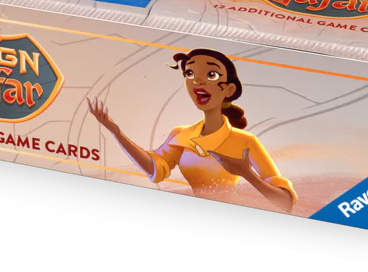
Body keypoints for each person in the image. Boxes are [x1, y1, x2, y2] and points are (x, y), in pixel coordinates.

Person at [87, 49, 295, 211]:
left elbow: (285, 202)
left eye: (211, 74)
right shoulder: (181, 135)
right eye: (189, 73)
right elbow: (154, 171)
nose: (197, 80)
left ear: (229, 89)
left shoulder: (245, 141)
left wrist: (247, 174)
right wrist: (116, 132)